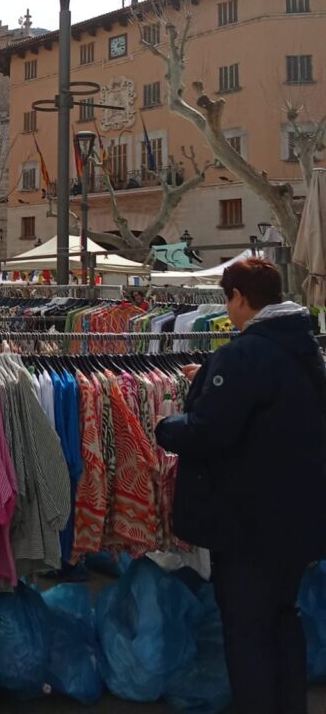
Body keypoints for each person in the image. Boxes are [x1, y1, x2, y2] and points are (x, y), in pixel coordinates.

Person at [156, 258, 326, 714]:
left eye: (226, 299)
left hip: (250, 522)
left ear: (238, 298)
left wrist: (166, 426)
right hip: (299, 517)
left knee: (247, 629)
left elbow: (211, 430)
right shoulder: (306, 350)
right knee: (283, 619)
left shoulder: (246, 355)